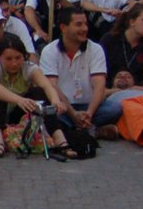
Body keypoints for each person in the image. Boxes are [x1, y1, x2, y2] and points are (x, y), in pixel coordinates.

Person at [0, 36, 76, 158]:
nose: (14, 63)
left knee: (39, 92)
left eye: (18, 58)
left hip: (14, 116)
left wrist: (55, 101)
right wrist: (19, 99)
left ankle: (60, 140)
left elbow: (46, 85)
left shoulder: (28, 67)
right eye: (8, 59)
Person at [38, 8, 106, 142]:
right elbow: (52, 86)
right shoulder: (49, 51)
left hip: (89, 106)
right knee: (49, 113)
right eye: (79, 25)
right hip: (63, 108)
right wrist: (73, 114)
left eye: (86, 24)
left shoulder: (96, 49)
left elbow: (99, 84)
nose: (85, 28)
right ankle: (90, 128)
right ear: (63, 27)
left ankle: (81, 125)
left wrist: (90, 113)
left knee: (115, 108)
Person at [96, 3, 143, 127]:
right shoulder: (110, 39)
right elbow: (97, 71)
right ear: (132, 22)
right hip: (110, 87)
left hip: (137, 87)